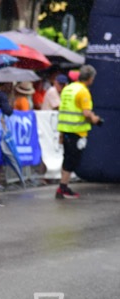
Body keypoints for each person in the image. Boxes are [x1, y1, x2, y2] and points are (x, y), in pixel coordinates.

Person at [56, 65, 102, 199]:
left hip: (65, 129)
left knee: (67, 158)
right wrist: (95, 119)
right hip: (77, 131)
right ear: (90, 78)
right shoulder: (83, 91)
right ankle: (62, 188)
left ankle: (63, 186)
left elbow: (64, 109)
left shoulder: (68, 88)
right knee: (72, 160)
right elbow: (86, 113)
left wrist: (61, 133)